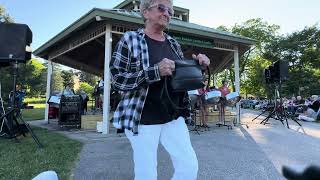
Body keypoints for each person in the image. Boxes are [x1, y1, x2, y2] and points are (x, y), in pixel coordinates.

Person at [110, 0, 210, 179]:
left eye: (170, 11)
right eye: (162, 8)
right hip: (143, 118)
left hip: (173, 115)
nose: (167, 13)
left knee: (189, 166)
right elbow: (117, 80)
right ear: (145, 12)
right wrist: (154, 71)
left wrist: (198, 66)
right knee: (146, 173)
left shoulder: (173, 43)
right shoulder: (130, 39)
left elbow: (181, 78)